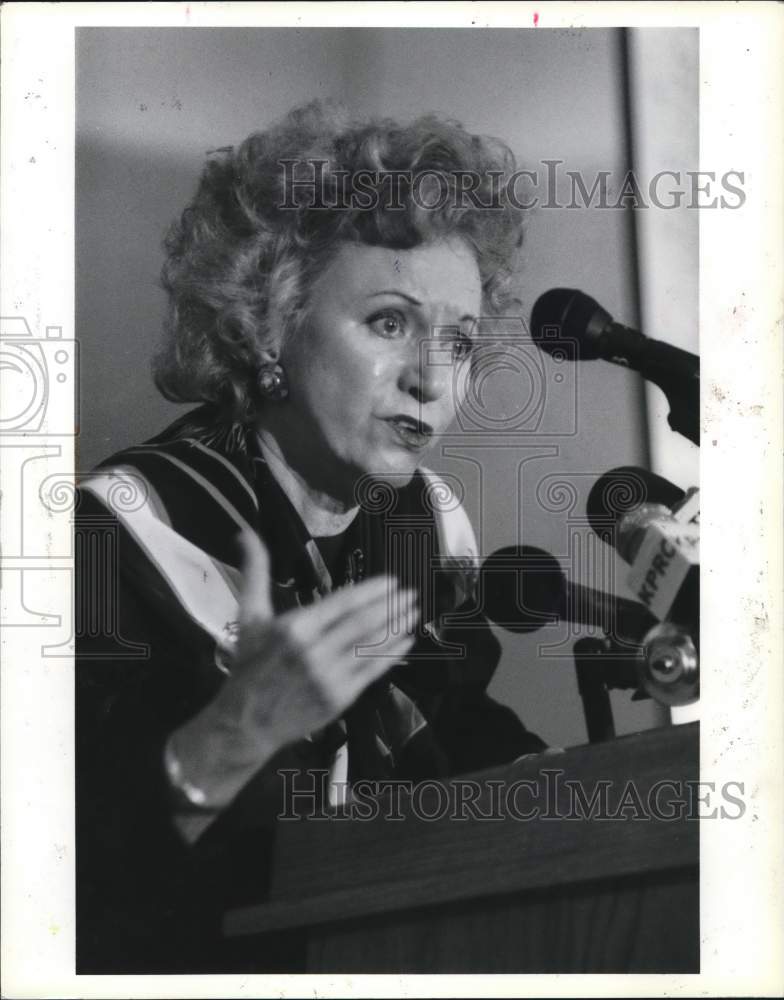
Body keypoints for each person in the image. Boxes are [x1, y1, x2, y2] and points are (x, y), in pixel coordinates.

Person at [75, 100, 547, 973]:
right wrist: (238, 730)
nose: (432, 381)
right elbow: (62, 875)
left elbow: (460, 732)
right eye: (390, 323)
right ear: (269, 323)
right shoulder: (121, 534)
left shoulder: (423, 528)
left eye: (462, 341)